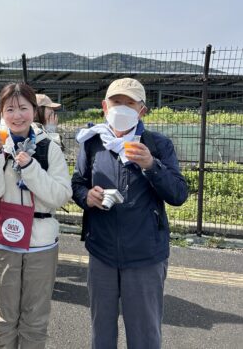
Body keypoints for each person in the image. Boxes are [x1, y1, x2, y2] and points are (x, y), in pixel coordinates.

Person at [71, 78, 188, 349]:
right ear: (105, 107)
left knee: (144, 335)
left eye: (130, 103)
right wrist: (87, 196)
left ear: (141, 111)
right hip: (101, 251)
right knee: (101, 332)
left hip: (145, 254)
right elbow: (77, 183)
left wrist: (152, 165)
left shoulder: (157, 145)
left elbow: (178, 194)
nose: (122, 108)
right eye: (116, 102)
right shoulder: (92, 142)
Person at [0, 83, 72, 349]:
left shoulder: (49, 148)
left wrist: (30, 168)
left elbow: (61, 195)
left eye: (23, 108)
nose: (17, 115)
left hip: (41, 244)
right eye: (10, 109)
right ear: (1, 113)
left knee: (35, 320)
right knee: (3, 317)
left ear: (34, 110)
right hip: (1, 240)